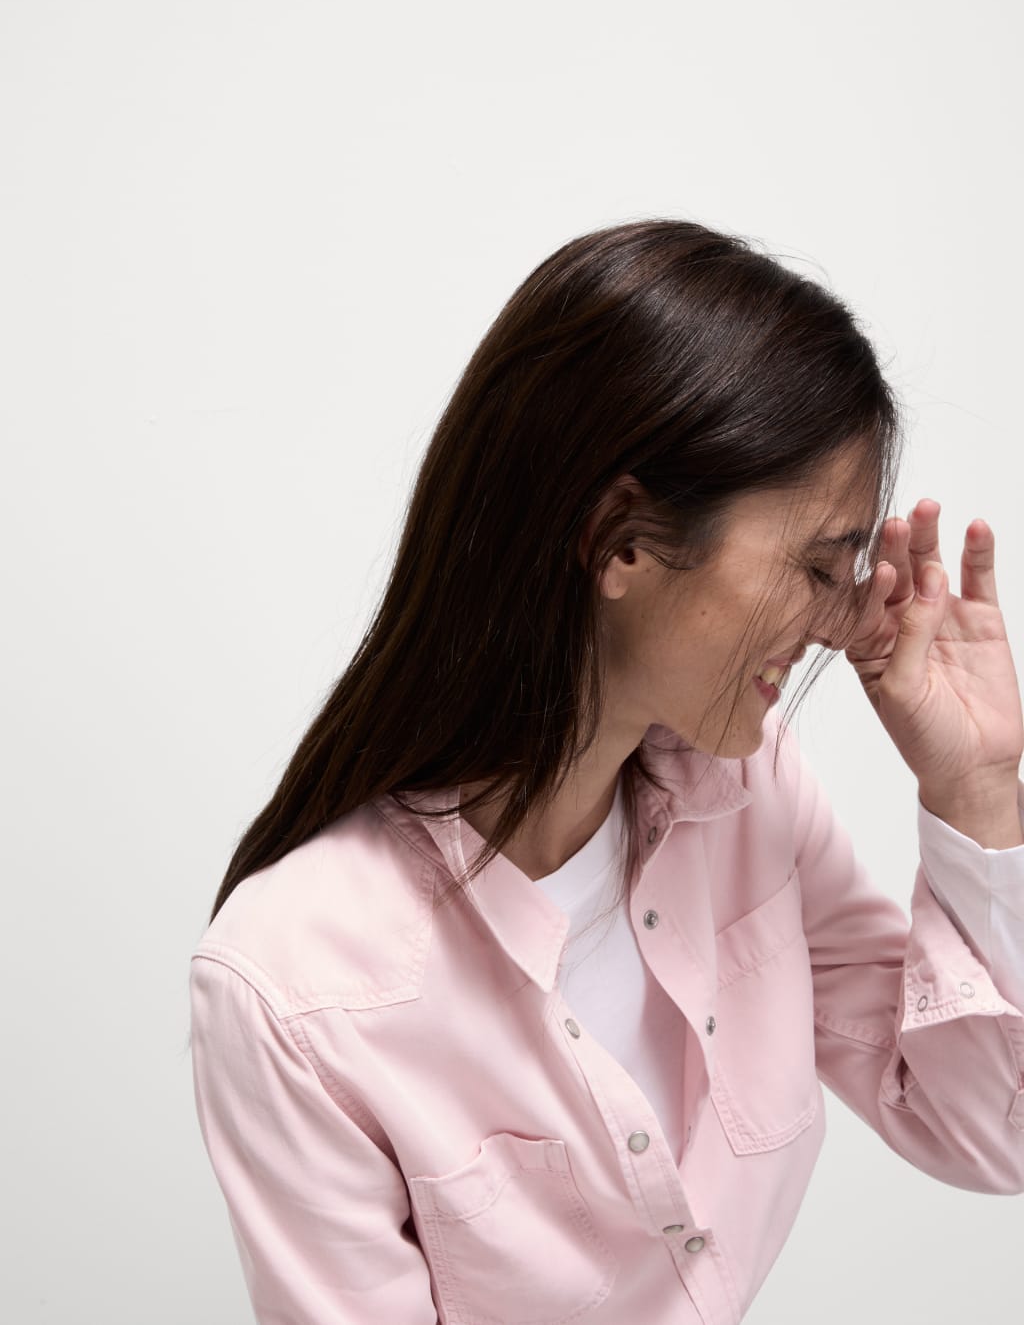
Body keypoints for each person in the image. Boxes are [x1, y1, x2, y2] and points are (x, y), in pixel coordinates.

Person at [188, 218, 1024, 1324]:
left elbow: (986, 1128)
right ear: (619, 540)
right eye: (820, 565)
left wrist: (976, 788)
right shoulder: (293, 987)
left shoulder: (751, 793)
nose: (839, 621)